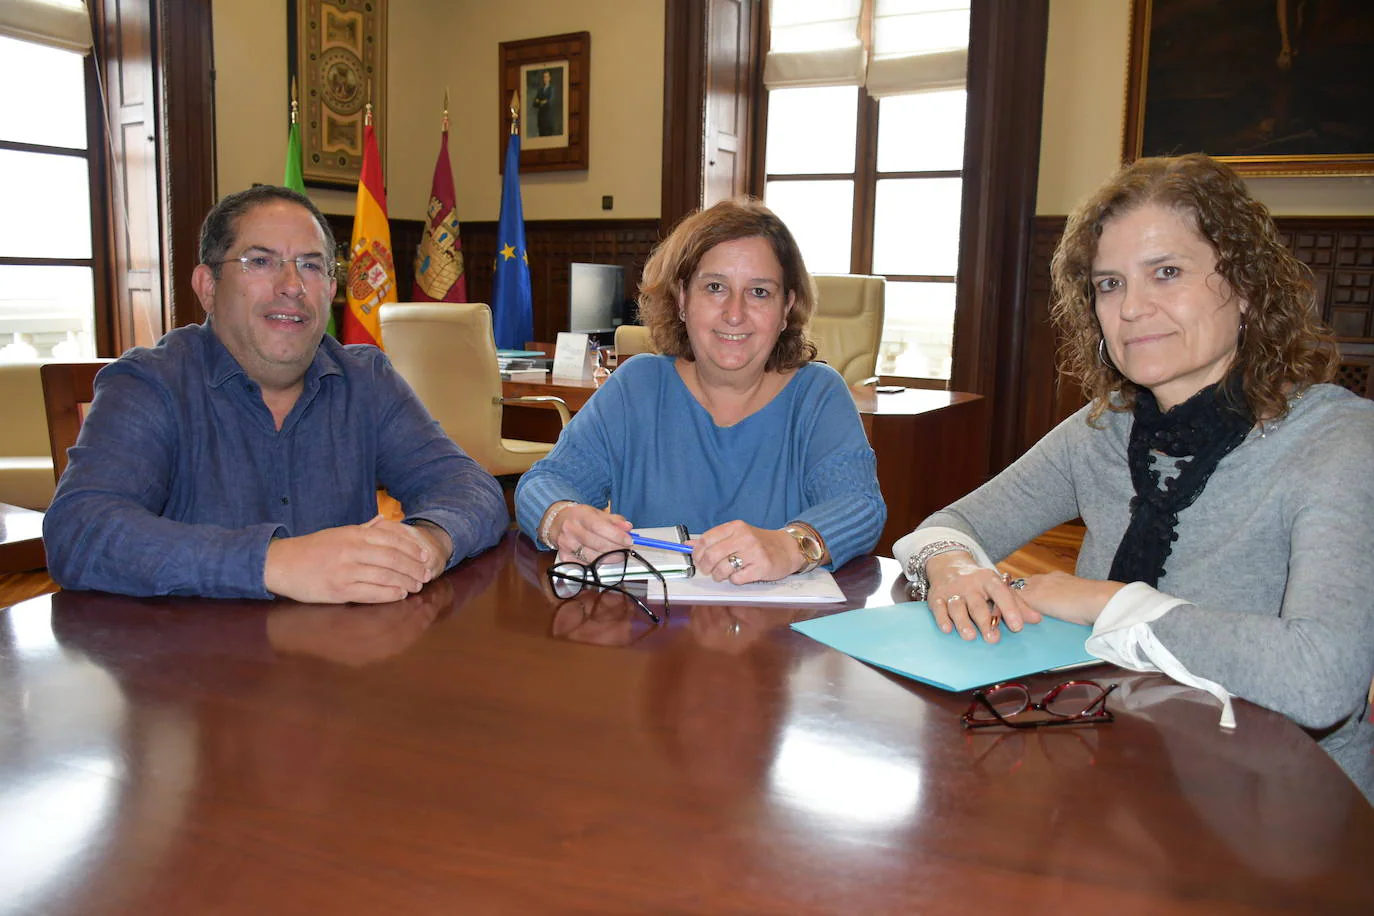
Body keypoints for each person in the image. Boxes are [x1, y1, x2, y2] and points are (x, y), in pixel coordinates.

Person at [895, 153, 1374, 801]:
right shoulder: (1105, 429)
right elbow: (946, 528)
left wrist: (1104, 601)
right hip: (1116, 765)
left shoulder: (1338, 439)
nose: (1131, 309)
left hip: (1284, 806)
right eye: (1110, 284)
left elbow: (1320, 682)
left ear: (1247, 288)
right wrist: (952, 567)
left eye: (1167, 273)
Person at [43, 186, 508, 603]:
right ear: (208, 286)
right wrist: (275, 562)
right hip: (188, 677)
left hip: (344, 666)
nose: (291, 286)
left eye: (310, 266)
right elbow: (80, 531)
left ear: (329, 290)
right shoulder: (149, 384)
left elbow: (471, 489)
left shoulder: (366, 379)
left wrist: (428, 543)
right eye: (260, 262)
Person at [515, 198, 885, 583]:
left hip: (780, 634)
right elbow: (542, 483)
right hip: (653, 630)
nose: (735, 313)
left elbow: (860, 506)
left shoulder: (818, 395)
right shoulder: (637, 386)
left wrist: (793, 544)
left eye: (759, 292)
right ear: (681, 299)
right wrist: (562, 518)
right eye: (714, 287)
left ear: (787, 308)